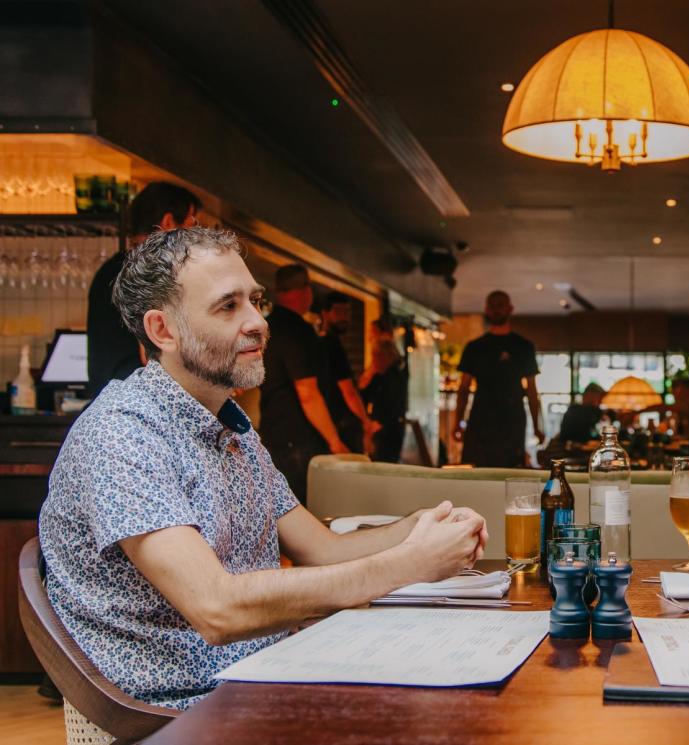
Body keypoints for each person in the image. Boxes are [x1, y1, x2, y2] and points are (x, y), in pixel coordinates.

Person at [39, 227, 486, 711]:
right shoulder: (123, 434)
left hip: (262, 677)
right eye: (228, 306)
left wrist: (421, 528)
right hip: (181, 713)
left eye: (255, 300)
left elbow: (323, 549)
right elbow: (217, 607)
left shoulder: (233, 429)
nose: (257, 322)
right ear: (162, 330)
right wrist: (410, 563)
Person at [87, 182, 201, 398]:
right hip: (137, 403)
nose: (193, 238)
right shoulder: (149, 271)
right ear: (168, 222)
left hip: (108, 399)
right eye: (191, 224)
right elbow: (152, 352)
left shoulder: (111, 269)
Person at [260, 264, 349, 503]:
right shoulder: (298, 331)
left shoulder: (266, 327)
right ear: (306, 291)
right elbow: (307, 391)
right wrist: (335, 441)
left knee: (280, 511)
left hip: (272, 435)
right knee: (306, 512)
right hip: (300, 441)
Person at [453, 290, 543, 467]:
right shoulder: (475, 347)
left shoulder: (523, 347)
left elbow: (532, 390)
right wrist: (458, 422)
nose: (497, 310)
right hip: (480, 419)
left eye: (501, 305)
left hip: (512, 419)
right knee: (477, 470)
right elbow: (463, 388)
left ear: (510, 309)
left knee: (510, 470)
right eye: (493, 306)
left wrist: (537, 426)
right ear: (486, 310)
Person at [319, 291, 379, 454]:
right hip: (342, 426)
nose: (344, 317)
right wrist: (366, 423)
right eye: (339, 312)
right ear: (325, 314)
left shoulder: (320, 342)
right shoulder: (332, 345)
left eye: (347, 312)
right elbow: (348, 391)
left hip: (330, 424)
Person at [359, 319, 408, 463]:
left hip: (387, 430)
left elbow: (395, 404)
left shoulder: (395, 376)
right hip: (379, 428)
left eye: (376, 356)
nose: (374, 360)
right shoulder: (379, 376)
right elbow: (363, 394)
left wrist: (377, 424)